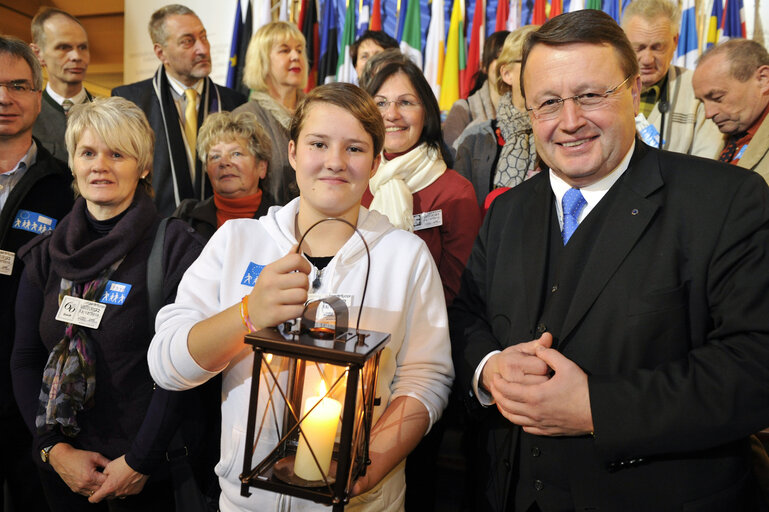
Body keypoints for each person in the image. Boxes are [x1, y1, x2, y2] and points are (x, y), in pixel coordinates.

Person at [450, 10, 769, 512]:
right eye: (549, 102)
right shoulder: (507, 210)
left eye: (591, 95)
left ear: (635, 89)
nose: (570, 121)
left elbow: (754, 367)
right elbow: (467, 319)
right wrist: (489, 370)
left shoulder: (726, 201)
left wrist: (597, 408)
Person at [148, 82, 453, 512]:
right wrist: (248, 315)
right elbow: (168, 366)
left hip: (365, 503)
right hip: (248, 502)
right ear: (291, 152)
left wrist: (365, 469)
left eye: (354, 148)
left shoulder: (405, 255)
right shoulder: (237, 240)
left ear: (375, 161)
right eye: (318, 144)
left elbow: (426, 378)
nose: (334, 162)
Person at [10, 97, 209, 511]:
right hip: (63, 474)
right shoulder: (44, 254)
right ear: (74, 162)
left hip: (148, 474)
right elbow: (25, 358)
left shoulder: (177, 249)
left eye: (117, 153)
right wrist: (53, 449)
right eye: (88, 152)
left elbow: (185, 368)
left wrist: (138, 461)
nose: (100, 165)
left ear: (144, 165)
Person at [0, 34, 72, 512]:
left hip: (25, 383)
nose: (4, 98)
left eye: (19, 86)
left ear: (38, 94)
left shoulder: (65, 187)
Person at [362, 58, 480, 306]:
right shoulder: (356, 181)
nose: (392, 114)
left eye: (405, 102)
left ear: (426, 112)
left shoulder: (456, 192)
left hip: (426, 328)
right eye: (381, 103)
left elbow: (455, 291)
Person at [112, 4, 245, 217]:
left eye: (204, 37)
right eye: (188, 41)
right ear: (161, 52)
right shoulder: (130, 102)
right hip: (154, 234)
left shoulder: (235, 103)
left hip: (222, 230)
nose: (202, 49)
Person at [620, 0, 721, 157]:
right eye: (638, 48)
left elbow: (709, 164)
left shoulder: (698, 91)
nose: (647, 59)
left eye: (657, 47)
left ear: (675, 42)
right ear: (623, 43)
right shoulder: (603, 88)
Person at [454, 26, 540, 209]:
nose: (544, 70)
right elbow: (460, 211)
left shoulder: (563, 132)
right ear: (507, 73)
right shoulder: (475, 139)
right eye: (532, 61)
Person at [233, 21, 308, 206]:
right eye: (284, 50)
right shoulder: (244, 119)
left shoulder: (317, 111)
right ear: (262, 60)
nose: (295, 56)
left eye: (299, 50)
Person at [173, 110, 278, 239]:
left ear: (262, 167)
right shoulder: (186, 217)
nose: (224, 162)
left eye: (236, 154)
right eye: (215, 156)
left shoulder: (282, 221)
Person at [693, 39, 769, 183]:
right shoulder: (732, 136)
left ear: (763, 79)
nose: (709, 113)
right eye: (703, 102)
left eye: (717, 97)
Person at [30, 8, 93, 163]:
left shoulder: (110, 115)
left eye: (82, 47)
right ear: (38, 54)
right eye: (64, 48)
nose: (76, 56)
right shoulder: (27, 117)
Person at [443, 30, 510, 151]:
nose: (504, 65)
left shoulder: (527, 109)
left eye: (510, 58)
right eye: (498, 57)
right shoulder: (462, 109)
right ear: (483, 66)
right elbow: (450, 157)